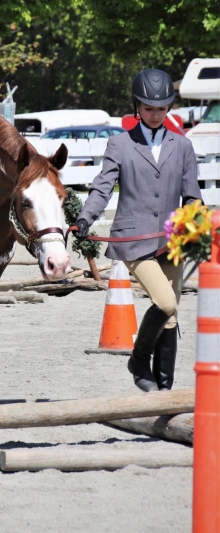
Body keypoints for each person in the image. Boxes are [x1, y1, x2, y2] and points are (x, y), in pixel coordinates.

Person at [73, 68, 202, 392]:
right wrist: (85, 218)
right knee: (166, 303)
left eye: (162, 108)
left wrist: (197, 227)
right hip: (134, 241)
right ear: (137, 106)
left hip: (173, 242)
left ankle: (163, 391)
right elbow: (102, 188)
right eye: (149, 108)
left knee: (171, 315)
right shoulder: (120, 144)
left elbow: (192, 196)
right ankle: (139, 360)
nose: (156, 114)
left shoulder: (183, 146)